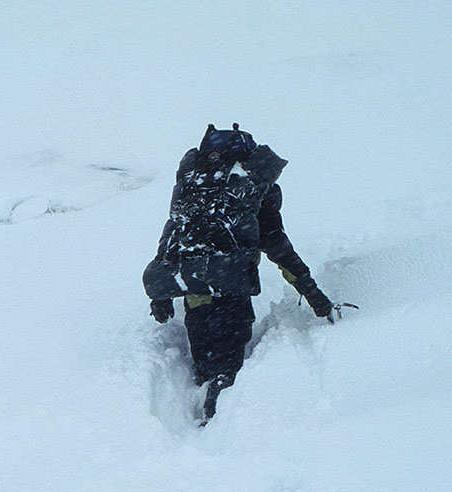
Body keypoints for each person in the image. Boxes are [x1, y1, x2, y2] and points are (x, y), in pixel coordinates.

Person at [142, 123, 338, 422]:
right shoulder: (255, 189)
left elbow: (172, 235)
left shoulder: (193, 183)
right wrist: (313, 294)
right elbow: (279, 248)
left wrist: (163, 294)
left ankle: (203, 400)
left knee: (205, 360)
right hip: (232, 288)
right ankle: (221, 423)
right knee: (228, 367)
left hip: (193, 289)